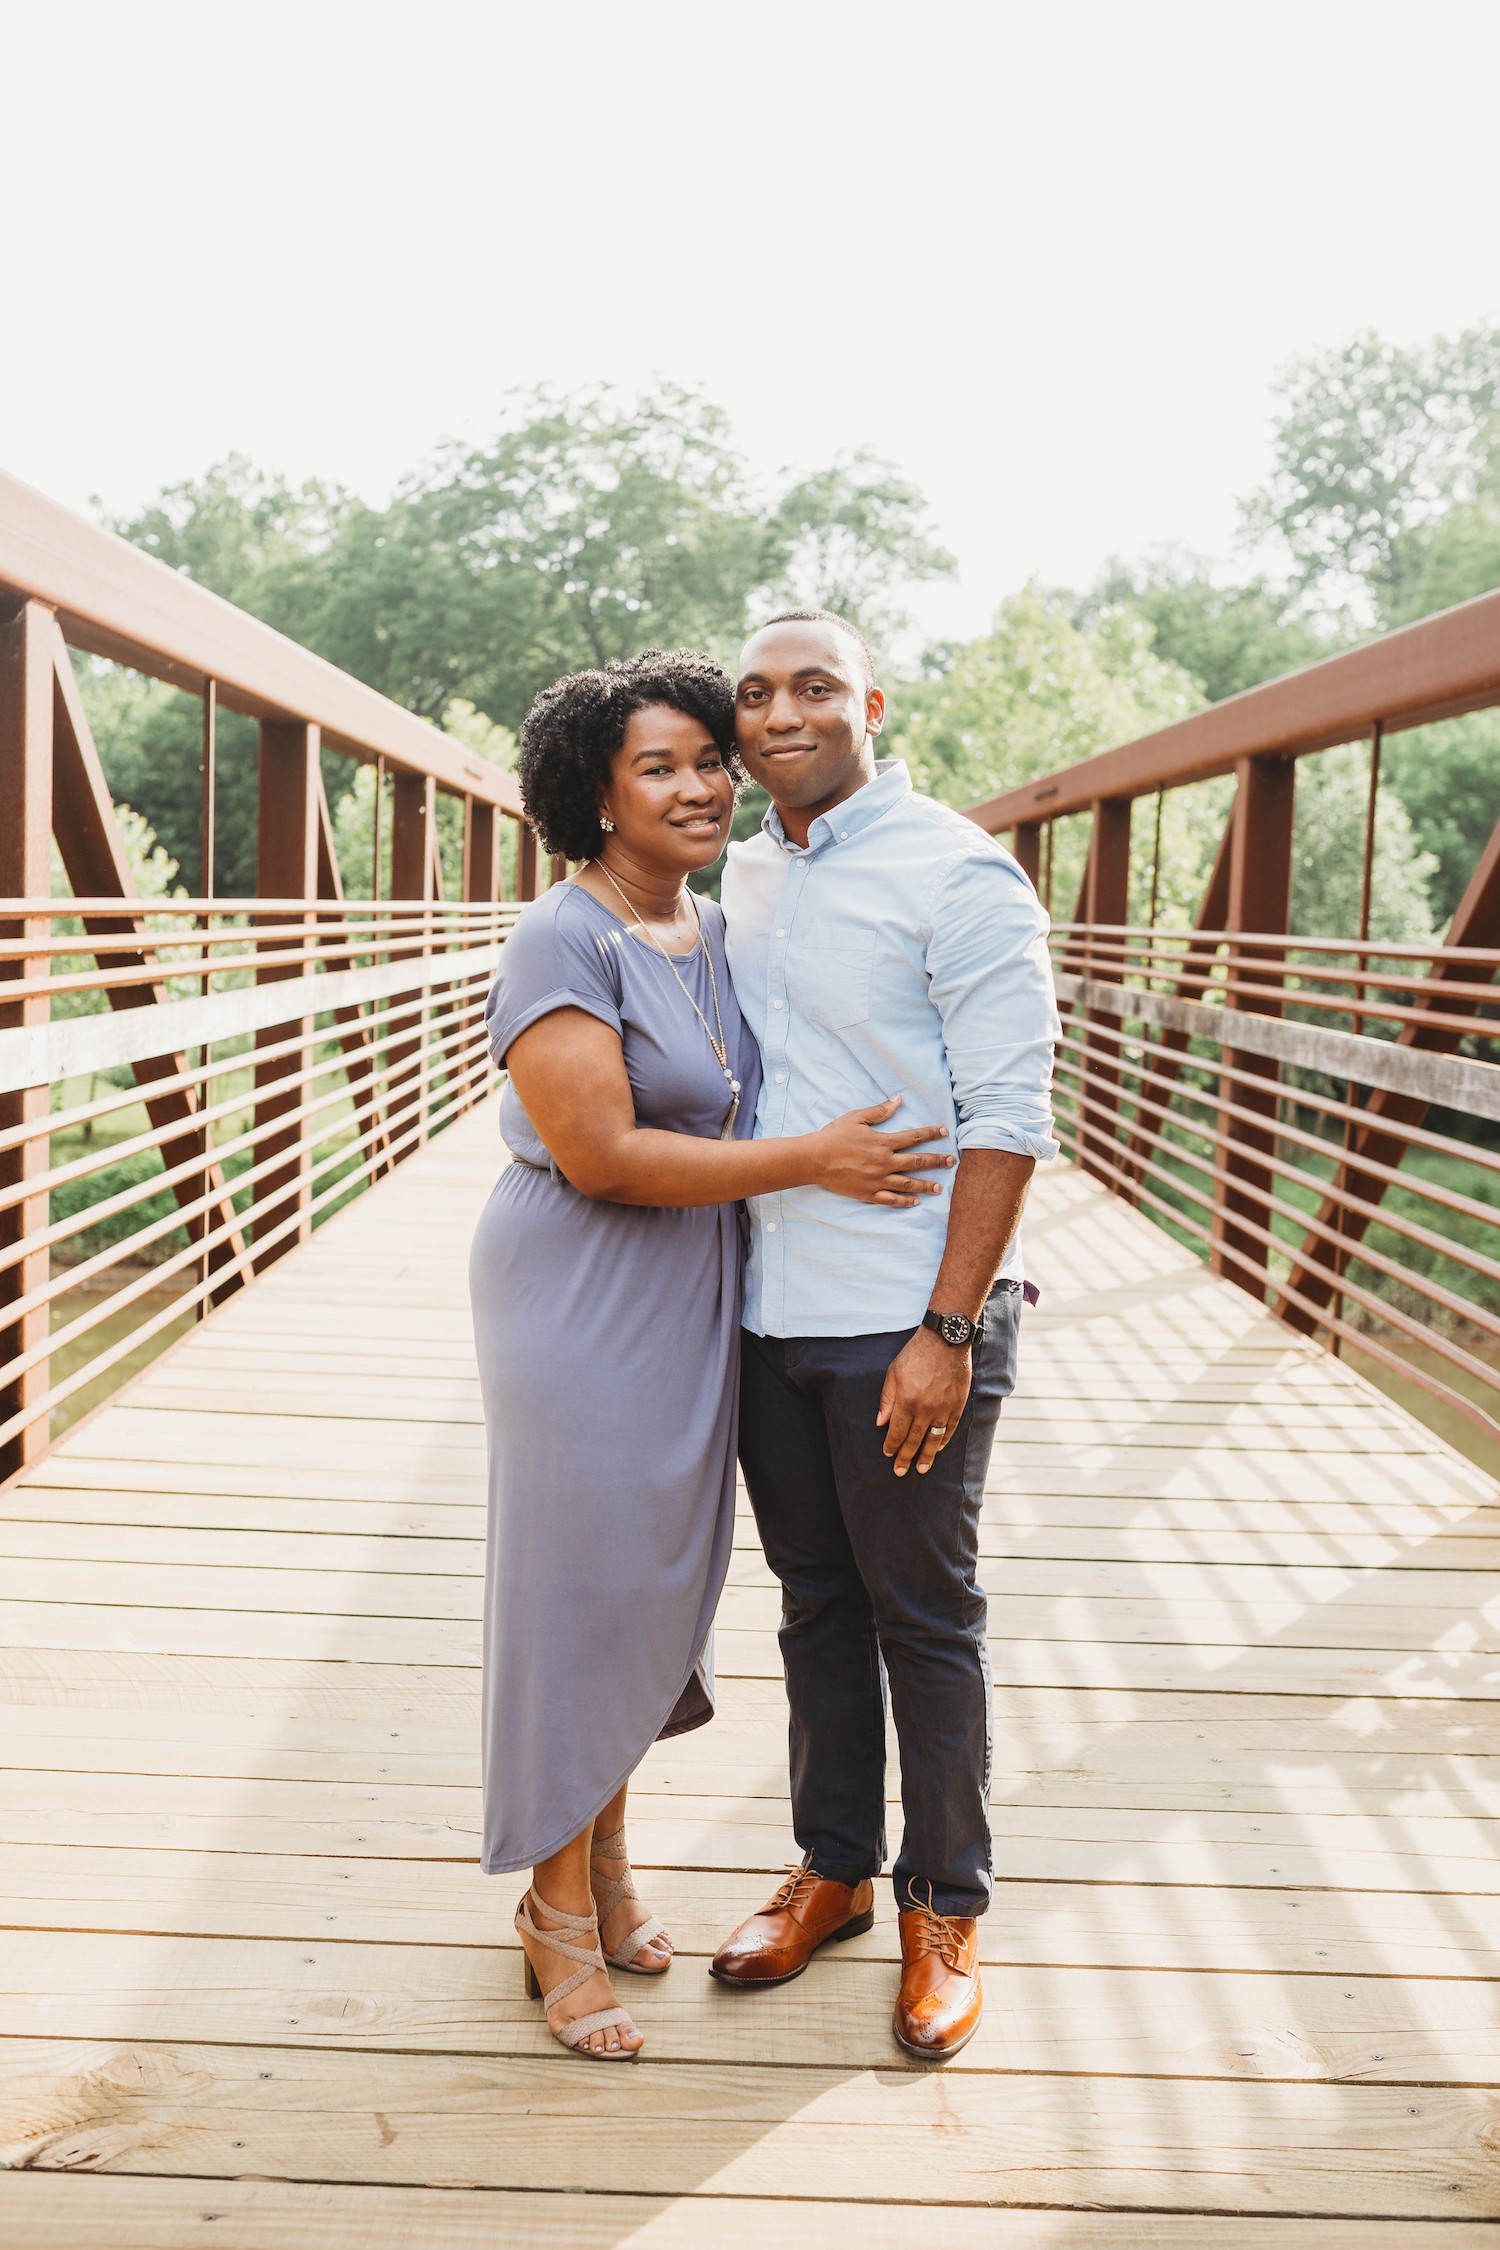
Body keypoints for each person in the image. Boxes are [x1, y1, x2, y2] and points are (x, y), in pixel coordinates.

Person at [469, 648, 955, 2062]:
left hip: (696, 1290)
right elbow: (606, 1151)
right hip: (580, 1293)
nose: (700, 786)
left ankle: (612, 1874)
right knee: (578, 1596)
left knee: (649, 1588)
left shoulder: (711, 920)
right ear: (594, 795)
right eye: (658, 768)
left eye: (706, 760)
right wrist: (817, 1160)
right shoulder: (564, 935)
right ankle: (554, 1921)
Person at [712, 609, 1060, 2062]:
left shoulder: (961, 875)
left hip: (902, 1318)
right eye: (753, 694)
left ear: (869, 700)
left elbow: (1009, 1118)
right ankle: (836, 1868)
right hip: (759, 1308)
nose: (779, 712)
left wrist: (949, 1324)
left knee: (926, 1615)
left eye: (810, 686)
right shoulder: (730, 870)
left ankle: (947, 1906)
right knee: (812, 1603)